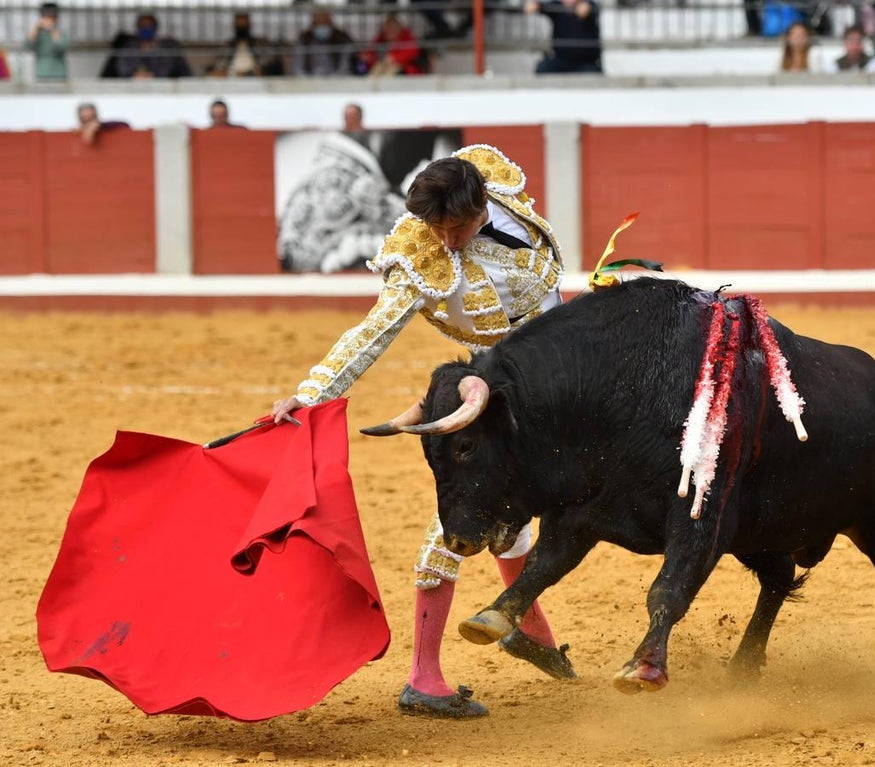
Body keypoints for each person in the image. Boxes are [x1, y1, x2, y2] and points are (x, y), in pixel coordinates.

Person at [269, 145, 573, 718]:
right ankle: (423, 678)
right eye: (435, 229)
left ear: (483, 206)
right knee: (456, 527)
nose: (446, 242)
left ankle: (529, 633)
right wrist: (311, 395)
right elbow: (371, 333)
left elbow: (550, 296)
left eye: (455, 228)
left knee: (518, 510)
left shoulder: (501, 190)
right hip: (486, 398)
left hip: (556, 386)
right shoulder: (419, 253)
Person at [524, 0, 603, 75]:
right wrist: (535, 5)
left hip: (585, 62)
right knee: (543, 68)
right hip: (561, 60)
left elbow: (590, 8)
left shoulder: (589, 5)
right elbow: (539, 6)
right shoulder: (557, 6)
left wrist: (587, 7)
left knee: (594, 74)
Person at [109, 13, 191, 79]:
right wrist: (134, 75)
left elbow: (166, 69)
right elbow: (122, 67)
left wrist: (152, 75)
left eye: (149, 26)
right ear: (138, 28)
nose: (146, 29)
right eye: (143, 26)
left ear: (155, 28)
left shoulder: (165, 47)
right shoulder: (129, 47)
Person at [206, 12, 284, 77]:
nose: (242, 25)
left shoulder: (257, 44)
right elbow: (220, 65)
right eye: (239, 23)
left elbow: (265, 64)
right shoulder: (229, 45)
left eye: (244, 23)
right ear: (234, 24)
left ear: (249, 24)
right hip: (231, 76)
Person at [355, 13, 430, 76]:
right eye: (387, 28)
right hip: (383, 67)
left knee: (391, 69)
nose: (389, 31)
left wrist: (394, 58)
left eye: (392, 28)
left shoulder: (406, 37)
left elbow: (412, 52)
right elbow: (371, 52)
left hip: (405, 71)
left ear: (399, 28)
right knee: (374, 68)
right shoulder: (381, 39)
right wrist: (367, 57)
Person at [293, 10, 356, 76]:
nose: (321, 26)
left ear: (330, 22)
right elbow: (297, 68)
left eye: (324, 23)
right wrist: (308, 81)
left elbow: (345, 67)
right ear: (313, 24)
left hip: (337, 81)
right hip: (310, 81)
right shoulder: (305, 39)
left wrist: (333, 81)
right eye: (318, 23)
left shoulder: (342, 39)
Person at [25, 2, 70, 81]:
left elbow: (62, 47)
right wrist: (36, 28)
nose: (48, 21)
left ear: (56, 19)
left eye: (51, 18)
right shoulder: (38, 34)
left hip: (59, 74)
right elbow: (28, 45)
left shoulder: (61, 33)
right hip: (41, 73)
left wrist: (52, 30)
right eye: (46, 17)